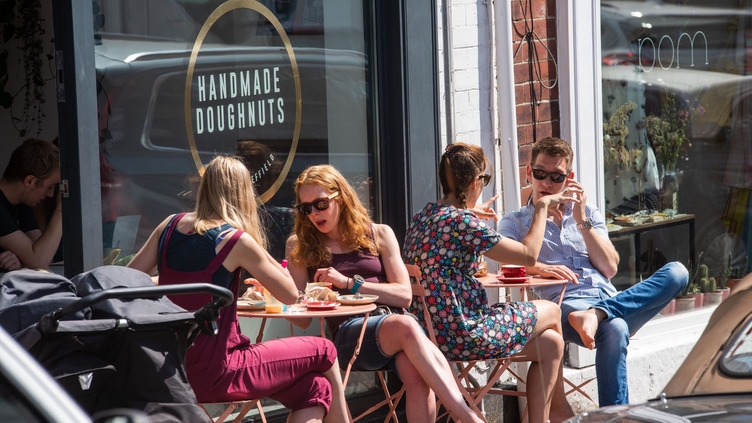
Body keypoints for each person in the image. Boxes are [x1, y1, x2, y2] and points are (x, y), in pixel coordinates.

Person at [128, 156, 348, 423]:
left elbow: (128, 280)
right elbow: (290, 294)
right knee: (325, 350)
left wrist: (165, 282)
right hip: (220, 370)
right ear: (242, 193)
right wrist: (256, 247)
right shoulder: (234, 239)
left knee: (316, 389)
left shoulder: (169, 225)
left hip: (169, 368)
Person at [497, 136, 689, 407]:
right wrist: (542, 267)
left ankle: (598, 314)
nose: (547, 183)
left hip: (605, 298)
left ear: (570, 178)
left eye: (556, 177)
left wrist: (581, 219)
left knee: (677, 273)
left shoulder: (588, 213)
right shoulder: (514, 221)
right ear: (529, 172)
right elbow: (509, 266)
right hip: (565, 307)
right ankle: (616, 417)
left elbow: (610, 267)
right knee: (617, 327)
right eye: (540, 174)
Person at [285, 164, 485, 423]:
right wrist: (283, 289)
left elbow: (404, 296)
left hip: (399, 329)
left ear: (341, 197)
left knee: (416, 373)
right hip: (350, 335)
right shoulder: (299, 246)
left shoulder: (378, 233)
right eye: (306, 208)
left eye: (321, 204)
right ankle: (467, 416)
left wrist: (349, 283)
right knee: (408, 324)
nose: (314, 213)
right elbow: (301, 318)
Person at [402, 142, 578, 423]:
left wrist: (470, 213)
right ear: (474, 182)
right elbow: (529, 256)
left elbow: (448, 250)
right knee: (552, 310)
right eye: (485, 180)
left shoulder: (423, 218)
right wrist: (542, 206)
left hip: (428, 336)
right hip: (465, 333)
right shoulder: (463, 223)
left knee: (552, 344)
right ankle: (557, 410)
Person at [0, 138, 62, 271]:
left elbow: (45, 256)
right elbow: (40, 260)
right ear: (30, 181)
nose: (51, 195)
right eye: (50, 187)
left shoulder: (22, 204)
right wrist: (61, 210)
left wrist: (22, 264)